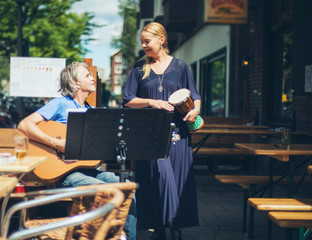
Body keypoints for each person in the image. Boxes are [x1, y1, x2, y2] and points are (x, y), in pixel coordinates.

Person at [17, 62, 136, 240]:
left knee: (127, 189)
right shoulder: (60, 104)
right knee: (107, 191)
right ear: (76, 82)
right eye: (87, 75)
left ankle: (126, 237)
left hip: (88, 170)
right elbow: (24, 125)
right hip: (63, 174)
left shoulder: (91, 111)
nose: (92, 77)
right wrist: (55, 144)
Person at [123, 22, 201, 240]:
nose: (143, 45)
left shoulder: (181, 67)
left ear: (161, 40)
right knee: (158, 178)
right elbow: (128, 100)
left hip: (179, 135)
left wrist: (195, 111)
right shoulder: (139, 69)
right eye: (142, 42)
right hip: (150, 135)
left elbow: (195, 96)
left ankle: (173, 227)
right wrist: (152, 102)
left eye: (147, 41)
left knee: (177, 180)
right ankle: (161, 226)